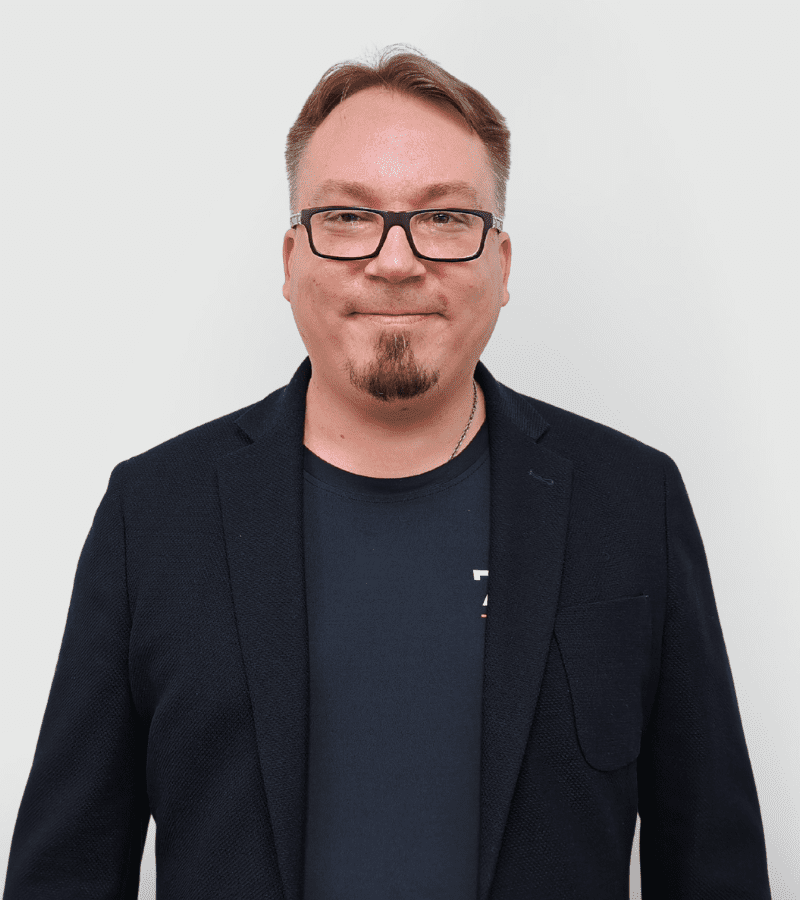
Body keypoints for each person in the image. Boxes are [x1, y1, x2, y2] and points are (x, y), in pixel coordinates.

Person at [3, 46, 772, 900]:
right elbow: (63, 876)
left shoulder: (631, 504)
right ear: (290, 261)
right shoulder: (153, 516)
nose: (396, 261)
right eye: (346, 216)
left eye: (444, 218)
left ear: (502, 266)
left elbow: (715, 867)